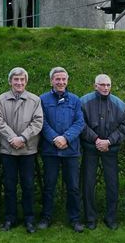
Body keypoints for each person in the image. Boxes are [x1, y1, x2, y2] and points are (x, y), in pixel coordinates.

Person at [0, 67, 43, 234]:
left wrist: (22, 138)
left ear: (26, 81)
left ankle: (29, 219)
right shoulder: (1, 100)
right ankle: (10, 218)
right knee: (9, 186)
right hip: (8, 150)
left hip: (27, 150)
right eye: (16, 80)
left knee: (28, 186)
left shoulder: (35, 100)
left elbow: (37, 122)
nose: (19, 83)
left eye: (22, 80)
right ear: (10, 82)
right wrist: (12, 138)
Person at [38, 67, 85, 232]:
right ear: (51, 81)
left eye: (63, 79)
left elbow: (80, 122)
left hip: (70, 150)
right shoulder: (42, 99)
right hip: (50, 150)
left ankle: (74, 219)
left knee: (73, 186)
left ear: (67, 81)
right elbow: (41, 122)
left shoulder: (75, 100)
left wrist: (66, 137)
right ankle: (46, 216)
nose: (61, 82)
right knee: (49, 185)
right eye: (57, 79)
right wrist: (54, 138)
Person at [80, 74, 125, 231]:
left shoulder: (119, 104)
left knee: (113, 184)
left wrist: (108, 141)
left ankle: (111, 217)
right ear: (95, 86)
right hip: (90, 149)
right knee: (88, 183)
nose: (105, 87)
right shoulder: (83, 102)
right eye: (102, 85)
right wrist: (96, 140)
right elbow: (80, 124)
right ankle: (90, 218)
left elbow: (124, 126)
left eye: (108, 84)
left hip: (110, 149)